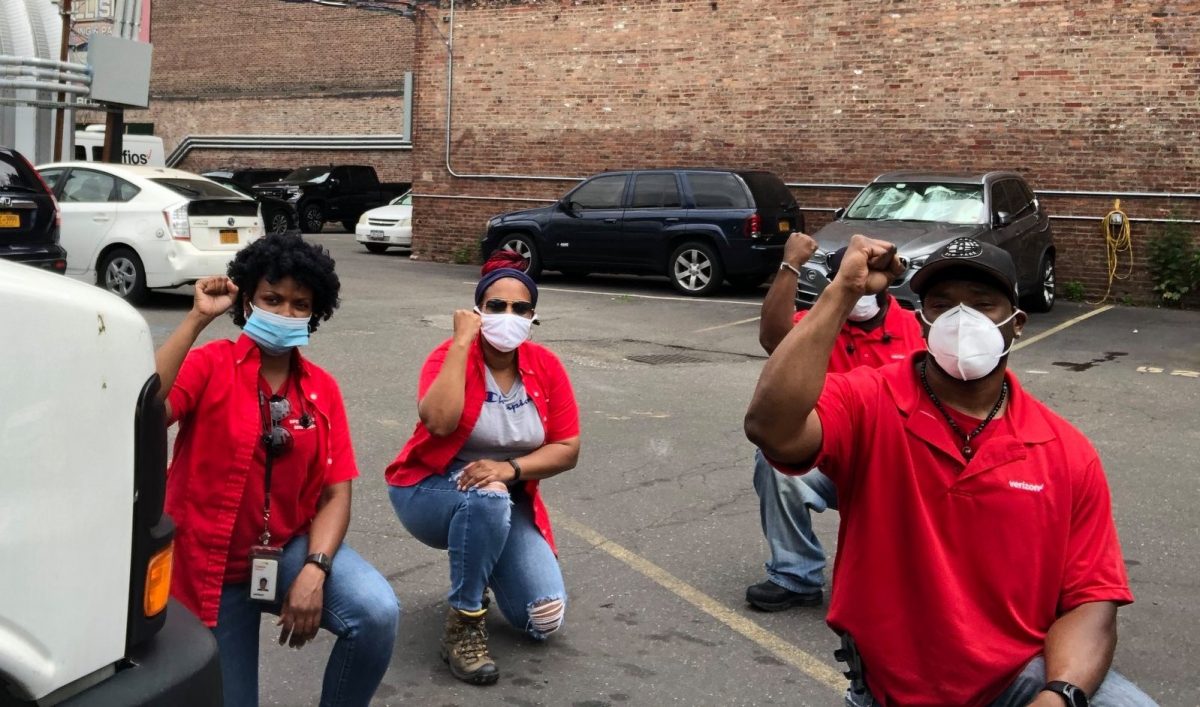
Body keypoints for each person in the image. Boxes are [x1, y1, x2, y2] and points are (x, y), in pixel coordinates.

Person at [744, 236, 1157, 707]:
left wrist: (1060, 694)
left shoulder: (1066, 452)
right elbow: (770, 428)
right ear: (922, 322)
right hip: (892, 689)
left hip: (1018, 676)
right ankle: (794, 573)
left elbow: (1090, 596)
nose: (963, 321)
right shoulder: (868, 400)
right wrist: (844, 290)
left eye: (982, 306)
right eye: (943, 306)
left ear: (1016, 324)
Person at [155, 233, 400, 707]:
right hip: (210, 567)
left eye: (299, 303)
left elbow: (335, 493)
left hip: (285, 552)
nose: (285, 313)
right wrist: (197, 319)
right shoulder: (210, 365)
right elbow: (148, 408)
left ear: (315, 311)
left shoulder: (322, 389)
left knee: (376, 612)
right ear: (247, 299)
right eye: (272, 299)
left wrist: (316, 567)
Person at [386, 251, 581, 686]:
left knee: (543, 619)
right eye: (496, 306)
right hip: (428, 490)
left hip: (502, 492)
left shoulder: (546, 366)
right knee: (487, 497)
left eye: (520, 308)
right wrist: (460, 343)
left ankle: (479, 556)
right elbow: (438, 422)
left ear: (533, 316)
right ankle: (465, 620)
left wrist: (510, 469)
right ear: (477, 311)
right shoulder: (449, 356)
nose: (508, 316)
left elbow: (567, 449)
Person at [746, 232, 924, 612]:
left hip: (897, 466)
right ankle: (795, 575)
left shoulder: (914, 327)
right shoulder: (819, 324)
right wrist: (790, 263)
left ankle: (918, 580)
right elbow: (773, 337)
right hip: (831, 458)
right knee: (774, 463)